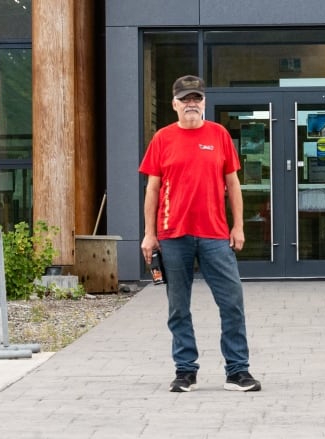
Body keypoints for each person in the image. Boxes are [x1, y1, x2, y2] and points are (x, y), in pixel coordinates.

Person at [139, 75, 261, 393]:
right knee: (178, 307)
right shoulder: (162, 139)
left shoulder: (219, 135)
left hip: (215, 235)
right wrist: (149, 234)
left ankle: (237, 371)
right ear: (174, 104)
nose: (191, 103)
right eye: (185, 99)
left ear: (204, 102)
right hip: (173, 235)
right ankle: (185, 371)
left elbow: (233, 183)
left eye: (196, 98)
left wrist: (238, 226)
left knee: (232, 302)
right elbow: (152, 189)